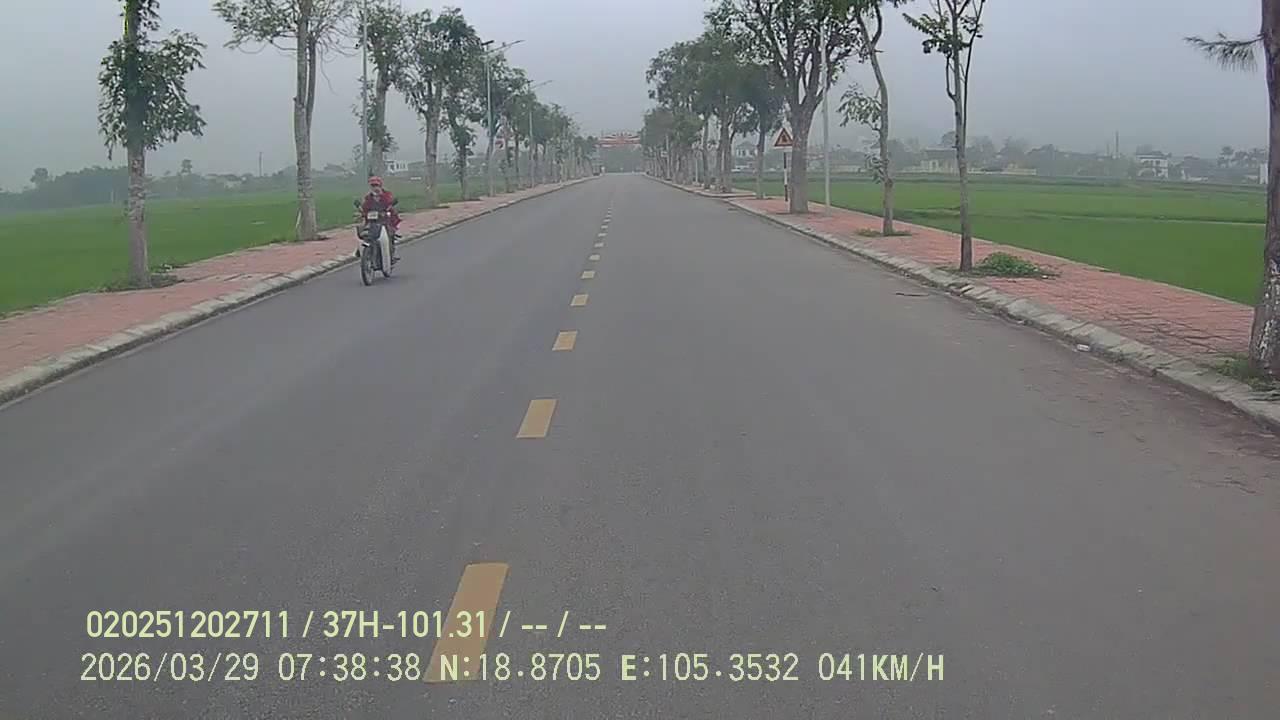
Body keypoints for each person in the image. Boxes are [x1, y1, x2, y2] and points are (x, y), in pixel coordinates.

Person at [358, 176, 401, 262]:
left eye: (376, 185)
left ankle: (391, 253)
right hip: (372, 221)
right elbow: (365, 208)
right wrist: (362, 212)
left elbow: (390, 204)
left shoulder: (386, 195)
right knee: (363, 231)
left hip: (385, 220)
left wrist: (387, 210)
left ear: (380, 185)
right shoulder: (368, 197)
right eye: (373, 186)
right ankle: (362, 250)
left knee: (390, 234)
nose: (375, 188)